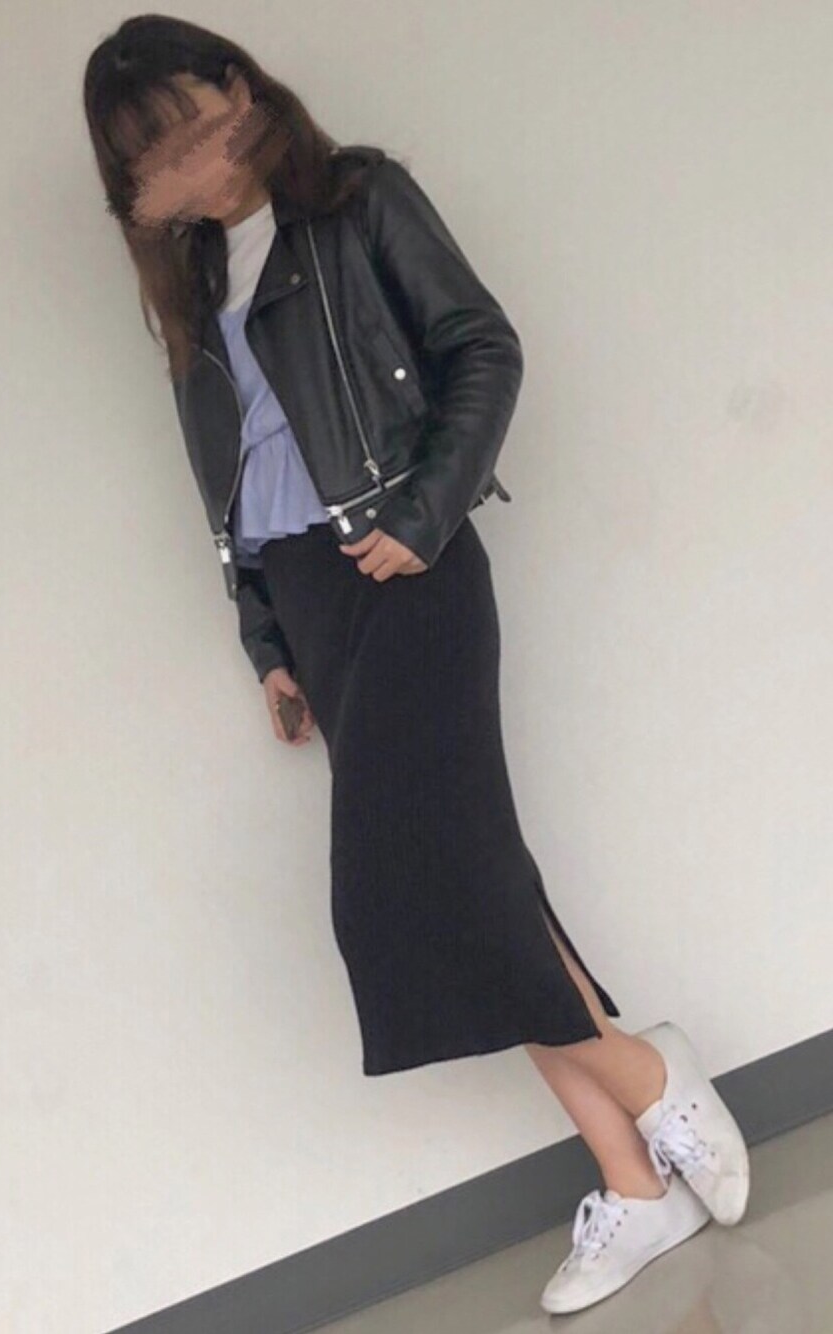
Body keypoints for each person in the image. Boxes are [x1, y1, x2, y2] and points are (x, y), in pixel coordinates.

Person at [82, 16, 749, 1313]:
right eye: (148, 158)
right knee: (470, 881)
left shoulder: (355, 201)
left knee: (427, 887)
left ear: (235, 88)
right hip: (309, 599)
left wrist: (426, 515)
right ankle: (632, 1175)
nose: (184, 163)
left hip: (405, 569)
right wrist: (267, 643)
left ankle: (649, 1078)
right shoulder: (193, 285)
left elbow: (483, 347)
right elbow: (226, 486)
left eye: (184, 125)